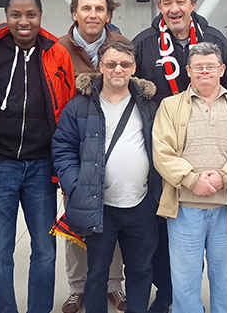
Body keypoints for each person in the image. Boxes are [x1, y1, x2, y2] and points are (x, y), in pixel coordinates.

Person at [132, 0, 227, 311]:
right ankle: (168, 291)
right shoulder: (145, 44)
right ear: (159, 7)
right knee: (163, 225)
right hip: (162, 150)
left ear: (192, 4)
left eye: (180, 1)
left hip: (211, 150)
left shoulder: (214, 41)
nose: (174, 9)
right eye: (167, 3)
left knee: (213, 234)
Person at [0, 0, 76, 313]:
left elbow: (67, 105)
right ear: (6, 17)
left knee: (44, 250)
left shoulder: (56, 52)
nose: (23, 21)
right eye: (16, 15)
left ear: (41, 16)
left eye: (31, 15)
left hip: (41, 166)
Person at [152, 42, 227, 313]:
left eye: (210, 66)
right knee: (184, 282)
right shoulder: (169, 107)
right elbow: (162, 150)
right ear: (188, 71)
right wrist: (191, 179)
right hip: (184, 211)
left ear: (222, 69)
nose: (204, 71)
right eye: (198, 67)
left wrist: (224, 177)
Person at [53, 40, 161, 313]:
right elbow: (62, 148)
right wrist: (76, 186)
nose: (117, 70)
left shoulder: (149, 105)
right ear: (100, 66)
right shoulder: (78, 106)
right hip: (99, 206)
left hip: (142, 204)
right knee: (97, 272)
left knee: (140, 270)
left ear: (133, 68)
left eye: (125, 64)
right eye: (111, 64)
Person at [56, 0, 128, 312]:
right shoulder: (58, 50)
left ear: (108, 15)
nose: (93, 15)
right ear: (75, 13)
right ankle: (77, 287)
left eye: (100, 9)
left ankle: (114, 285)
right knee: (76, 224)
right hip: (78, 153)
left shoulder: (122, 45)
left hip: (116, 153)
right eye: (86, 8)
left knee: (112, 224)